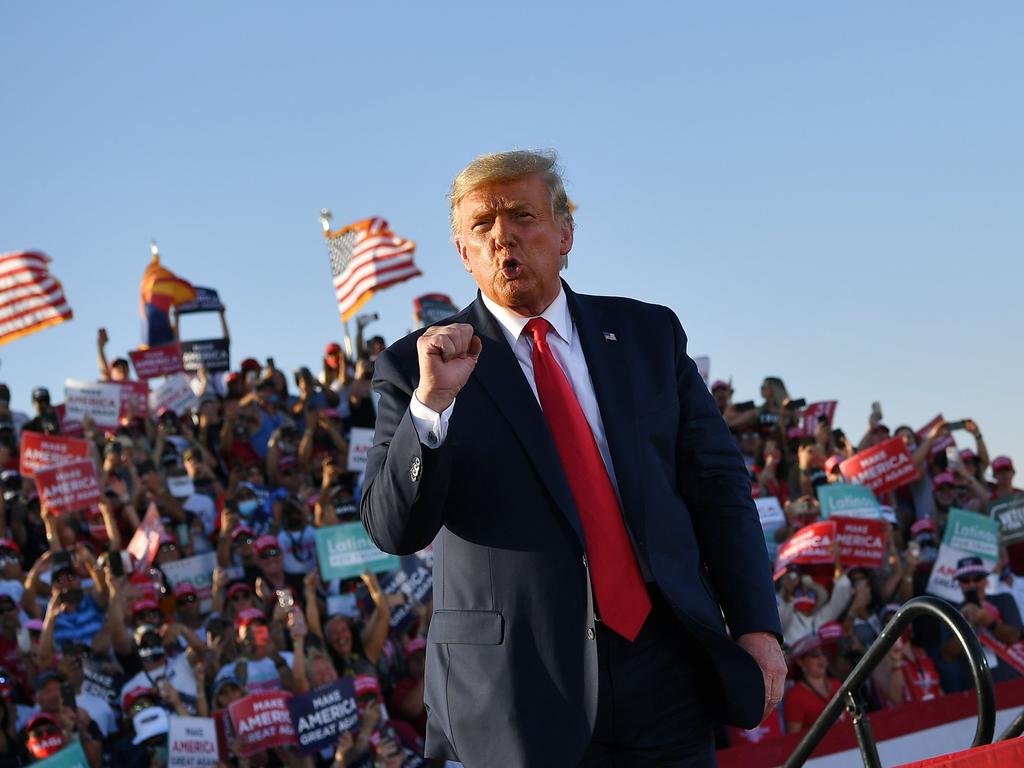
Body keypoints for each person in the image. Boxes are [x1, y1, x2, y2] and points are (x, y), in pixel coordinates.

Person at [360, 150, 784, 767]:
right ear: (463, 252)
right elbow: (394, 528)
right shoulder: (415, 367)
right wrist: (432, 406)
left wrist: (756, 624)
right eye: (483, 224)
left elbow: (718, 488)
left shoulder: (648, 335)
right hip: (517, 691)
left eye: (523, 215)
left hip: (666, 663)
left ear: (565, 234)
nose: (503, 234)